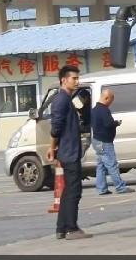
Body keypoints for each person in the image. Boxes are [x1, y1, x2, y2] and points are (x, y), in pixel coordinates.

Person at [46, 65, 92, 240]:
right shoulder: (61, 100)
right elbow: (55, 127)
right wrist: (52, 148)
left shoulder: (67, 99)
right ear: (64, 80)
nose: (77, 81)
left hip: (70, 150)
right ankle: (72, 228)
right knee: (74, 191)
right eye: (74, 78)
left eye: (78, 78)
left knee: (67, 191)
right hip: (69, 152)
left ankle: (61, 228)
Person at [91, 88, 134, 196]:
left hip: (97, 141)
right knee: (112, 165)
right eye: (111, 100)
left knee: (101, 166)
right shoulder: (104, 110)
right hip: (104, 142)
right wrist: (116, 123)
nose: (111, 103)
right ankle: (120, 187)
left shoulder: (94, 110)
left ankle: (101, 188)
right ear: (106, 98)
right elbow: (108, 124)